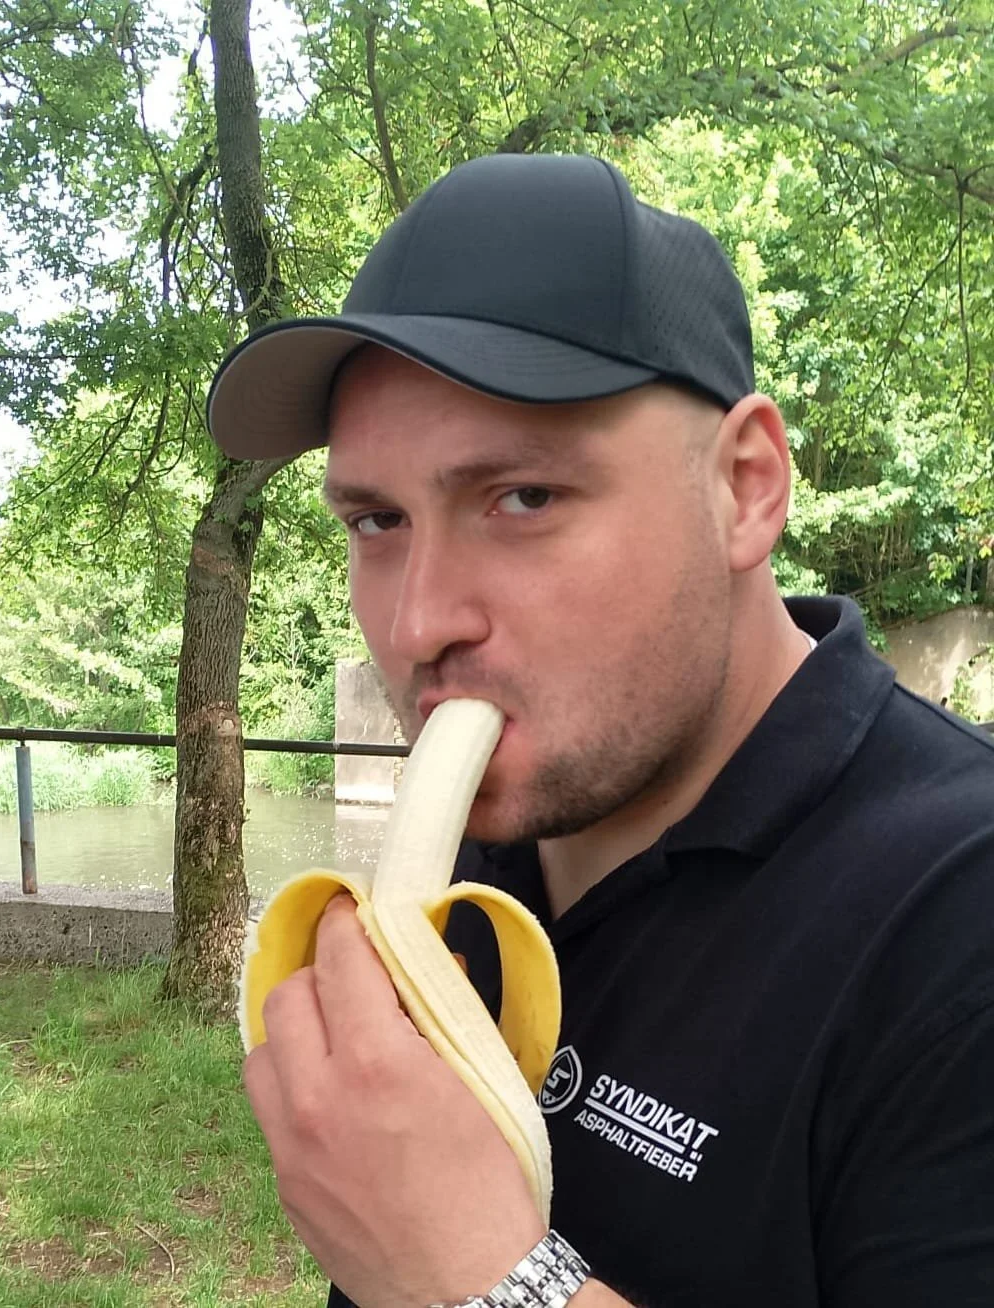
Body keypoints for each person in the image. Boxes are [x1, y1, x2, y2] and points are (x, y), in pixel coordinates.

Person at [206, 153, 994, 1308]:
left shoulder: (957, 918)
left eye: (522, 497)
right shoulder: (494, 848)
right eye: (375, 520)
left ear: (745, 487)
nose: (417, 625)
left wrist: (483, 1281)